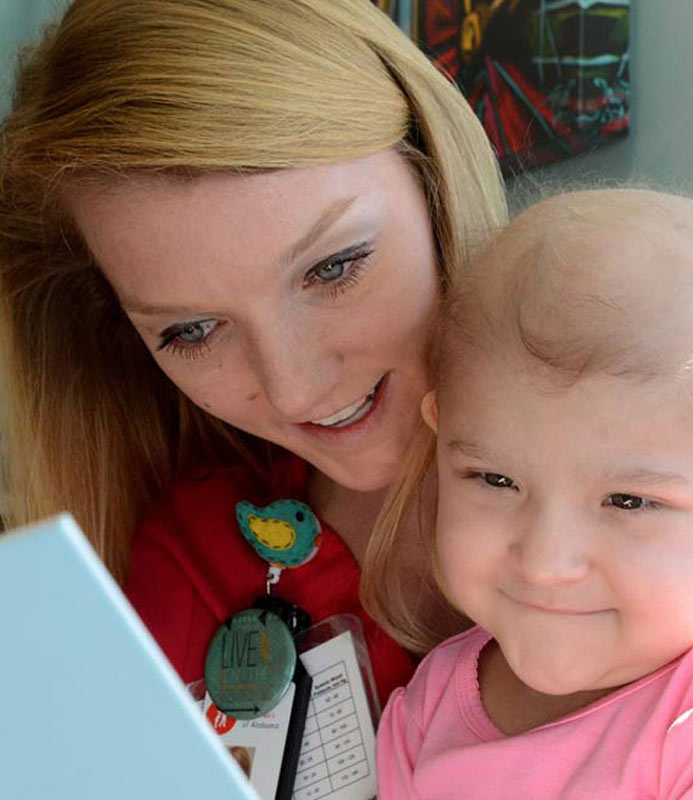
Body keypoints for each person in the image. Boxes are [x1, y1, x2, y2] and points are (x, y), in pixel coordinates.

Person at [0, 0, 507, 705]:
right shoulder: (187, 564)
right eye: (193, 331)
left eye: (333, 268)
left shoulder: (677, 467)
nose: (295, 390)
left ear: (433, 174)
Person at [376, 189, 693, 797]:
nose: (546, 563)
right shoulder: (430, 701)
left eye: (628, 501)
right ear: (441, 435)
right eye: (498, 480)